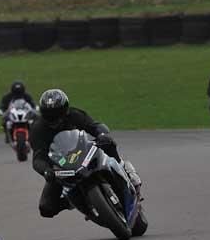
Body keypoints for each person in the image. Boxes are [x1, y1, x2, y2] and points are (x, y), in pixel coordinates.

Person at [30, 89, 142, 219]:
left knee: (109, 143)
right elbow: (38, 158)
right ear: (43, 114)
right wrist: (46, 171)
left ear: (65, 109)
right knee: (46, 208)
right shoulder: (37, 129)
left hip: (84, 152)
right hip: (60, 167)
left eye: (58, 113)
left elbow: (93, 125)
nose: (55, 119)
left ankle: (126, 171)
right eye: (49, 115)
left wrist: (101, 134)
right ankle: (75, 202)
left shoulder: (74, 115)